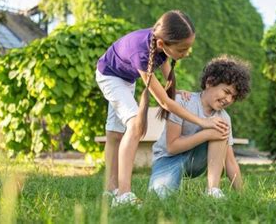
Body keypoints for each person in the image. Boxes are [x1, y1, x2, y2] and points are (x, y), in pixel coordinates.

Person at [96, 10, 229, 206]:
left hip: (126, 78)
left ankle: (110, 190)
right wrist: (202, 121)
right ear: (162, 44)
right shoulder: (141, 52)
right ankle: (123, 195)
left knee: (115, 134)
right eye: (183, 49)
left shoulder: (159, 45)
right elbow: (165, 102)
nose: (186, 54)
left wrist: (177, 90)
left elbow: (168, 85)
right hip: (109, 76)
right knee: (133, 125)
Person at [148, 55, 250, 198]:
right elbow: (171, 147)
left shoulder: (223, 117)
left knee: (220, 126)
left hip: (197, 162)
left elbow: (230, 161)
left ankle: (213, 190)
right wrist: (207, 134)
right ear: (209, 82)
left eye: (233, 97)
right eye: (226, 92)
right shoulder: (183, 102)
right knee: (161, 198)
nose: (228, 99)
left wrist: (243, 195)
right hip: (168, 158)